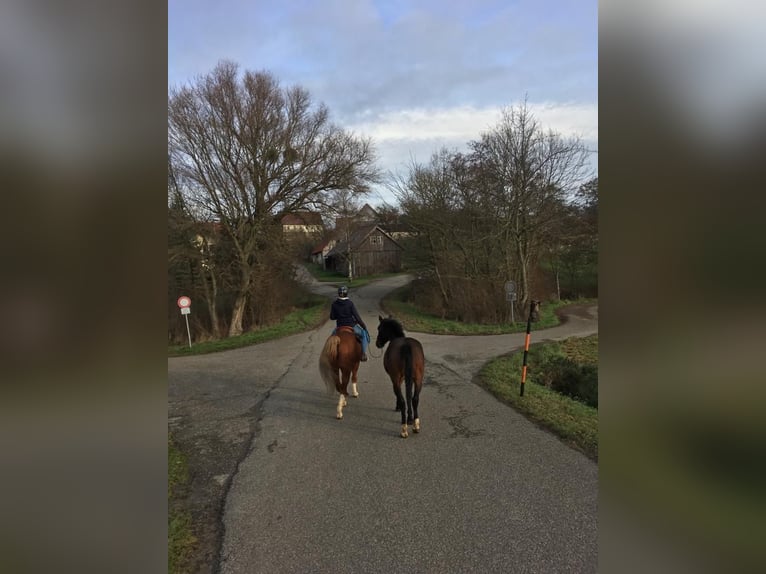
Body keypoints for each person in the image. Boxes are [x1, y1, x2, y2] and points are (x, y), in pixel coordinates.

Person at [330, 285, 370, 361]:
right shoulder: (350, 303)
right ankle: (363, 354)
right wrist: (363, 326)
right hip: (351, 326)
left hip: (339, 327)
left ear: (338, 293)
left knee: (331, 339)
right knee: (364, 334)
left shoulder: (334, 304)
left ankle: (330, 355)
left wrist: (339, 315)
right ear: (346, 293)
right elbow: (357, 317)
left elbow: (332, 317)